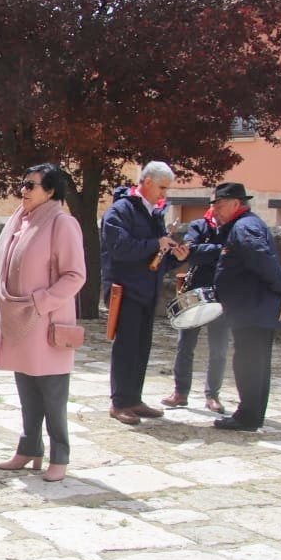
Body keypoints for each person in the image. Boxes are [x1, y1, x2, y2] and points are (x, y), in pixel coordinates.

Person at [0, 165, 87, 482]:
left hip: (46, 323)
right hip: (18, 318)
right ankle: (29, 448)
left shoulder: (62, 223)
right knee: (27, 391)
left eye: (32, 185)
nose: (24, 189)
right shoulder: (19, 219)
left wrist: (41, 302)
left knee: (53, 396)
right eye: (23, 182)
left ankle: (60, 455)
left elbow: (75, 276)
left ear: (51, 191)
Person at [100, 160, 189, 426]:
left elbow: (156, 256)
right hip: (125, 288)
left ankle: (134, 398)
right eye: (161, 187)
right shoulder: (120, 210)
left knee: (141, 347)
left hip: (147, 288)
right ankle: (119, 402)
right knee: (126, 347)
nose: (164, 194)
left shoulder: (154, 214)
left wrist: (176, 257)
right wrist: (155, 242)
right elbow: (120, 248)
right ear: (147, 182)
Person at [209, 182, 281, 431]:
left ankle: (248, 416)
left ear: (236, 204)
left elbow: (260, 257)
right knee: (253, 362)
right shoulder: (242, 225)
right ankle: (252, 414)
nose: (215, 211)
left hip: (253, 307)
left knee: (250, 362)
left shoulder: (245, 226)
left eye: (220, 205)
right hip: (249, 306)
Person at [163, 205, 231, 414]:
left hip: (223, 292)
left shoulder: (234, 228)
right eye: (215, 206)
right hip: (196, 292)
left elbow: (232, 254)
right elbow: (191, 252)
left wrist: (204, 252)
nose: (218, 211)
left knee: (218, 348)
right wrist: (217, 251)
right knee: (185, 345)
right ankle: (180, 392)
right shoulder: (199, 226)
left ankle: (213, 395)